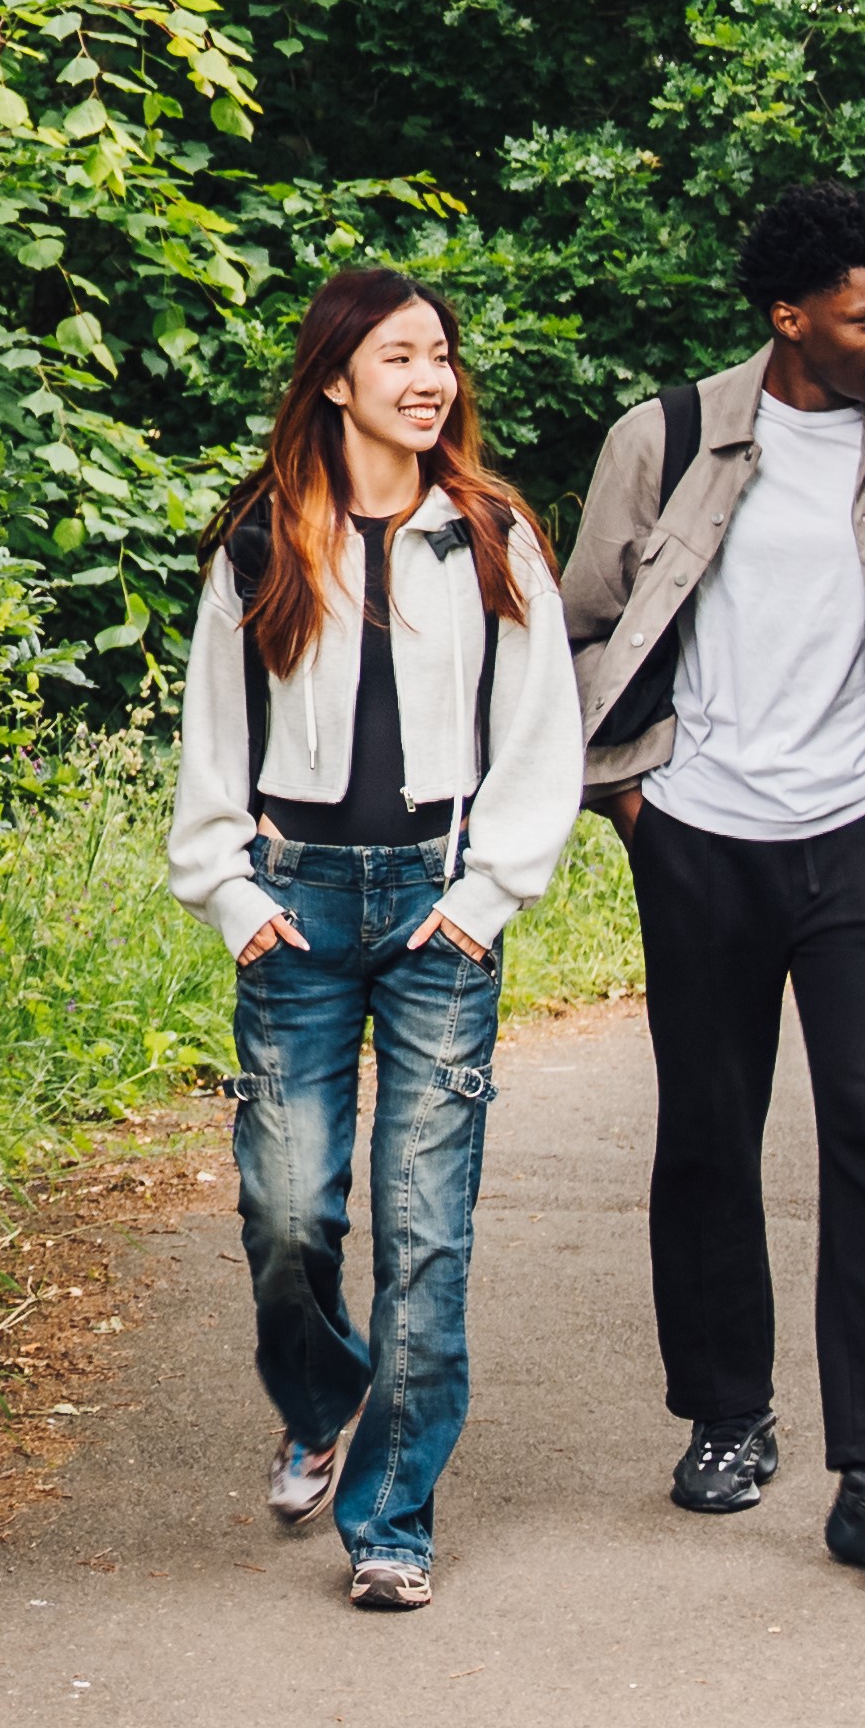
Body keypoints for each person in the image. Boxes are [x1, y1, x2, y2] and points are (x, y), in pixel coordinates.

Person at [558, 183, 865, 1579]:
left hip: (861, 837)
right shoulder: (664, 438)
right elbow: (584, 622)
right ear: (792, 318)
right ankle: (726, 1414)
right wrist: (630, 788)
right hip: (699, 834)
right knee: (708, 1128)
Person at [169, 265, 590, 1613]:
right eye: (400, 355)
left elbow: (542, 735)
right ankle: (323, 1392)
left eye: (442, 356)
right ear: (336, 378)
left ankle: (393, 1513)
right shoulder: (257, 540)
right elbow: (210, 731)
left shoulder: (489, 533)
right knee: (286, 1212)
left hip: (437, 906)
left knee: (426, 1226)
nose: (429, 378)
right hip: (292, 901)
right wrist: (231, 894)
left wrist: (485, 897)